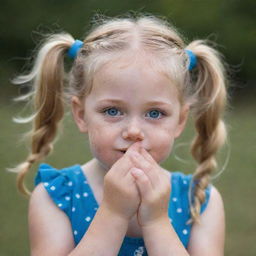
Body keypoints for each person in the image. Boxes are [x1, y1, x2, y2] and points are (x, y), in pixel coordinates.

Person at [11, 13, 228, 256]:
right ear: (81, 114)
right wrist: (113, 214)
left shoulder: (198, 202)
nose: (134, 131)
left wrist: (156, 222)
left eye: (155, 113)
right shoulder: (57, 196)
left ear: (180, 120)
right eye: (112, 111)